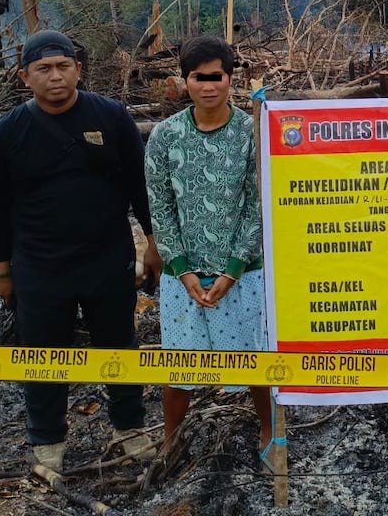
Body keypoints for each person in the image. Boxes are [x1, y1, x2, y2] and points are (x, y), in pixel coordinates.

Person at [0, 29, 162, 473]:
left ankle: (129, 428)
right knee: (43, 355)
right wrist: (1, 270)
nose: (55, 76)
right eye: (43, 69)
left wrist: (154, 243)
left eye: (63, 66)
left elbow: (139, 187)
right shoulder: (5, 134)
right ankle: (48, 442)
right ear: (24, 77)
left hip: (108, 257)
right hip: (39, 265)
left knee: (118, 345)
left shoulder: (111, 117)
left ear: (79, 70)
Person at [144, 35, 272, 463]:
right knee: (179, 364)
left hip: (243, 273)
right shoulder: (165, 136)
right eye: (199, 78)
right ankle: (171, 440)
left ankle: (269, 432)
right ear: (185, 81)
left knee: (256, 359)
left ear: (230, 78)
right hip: (182, 276)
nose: (209, 86)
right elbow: (161, 206)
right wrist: (181, 269)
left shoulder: (252, 133)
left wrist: (233, 269)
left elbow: (257, 205)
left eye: (217, 76)